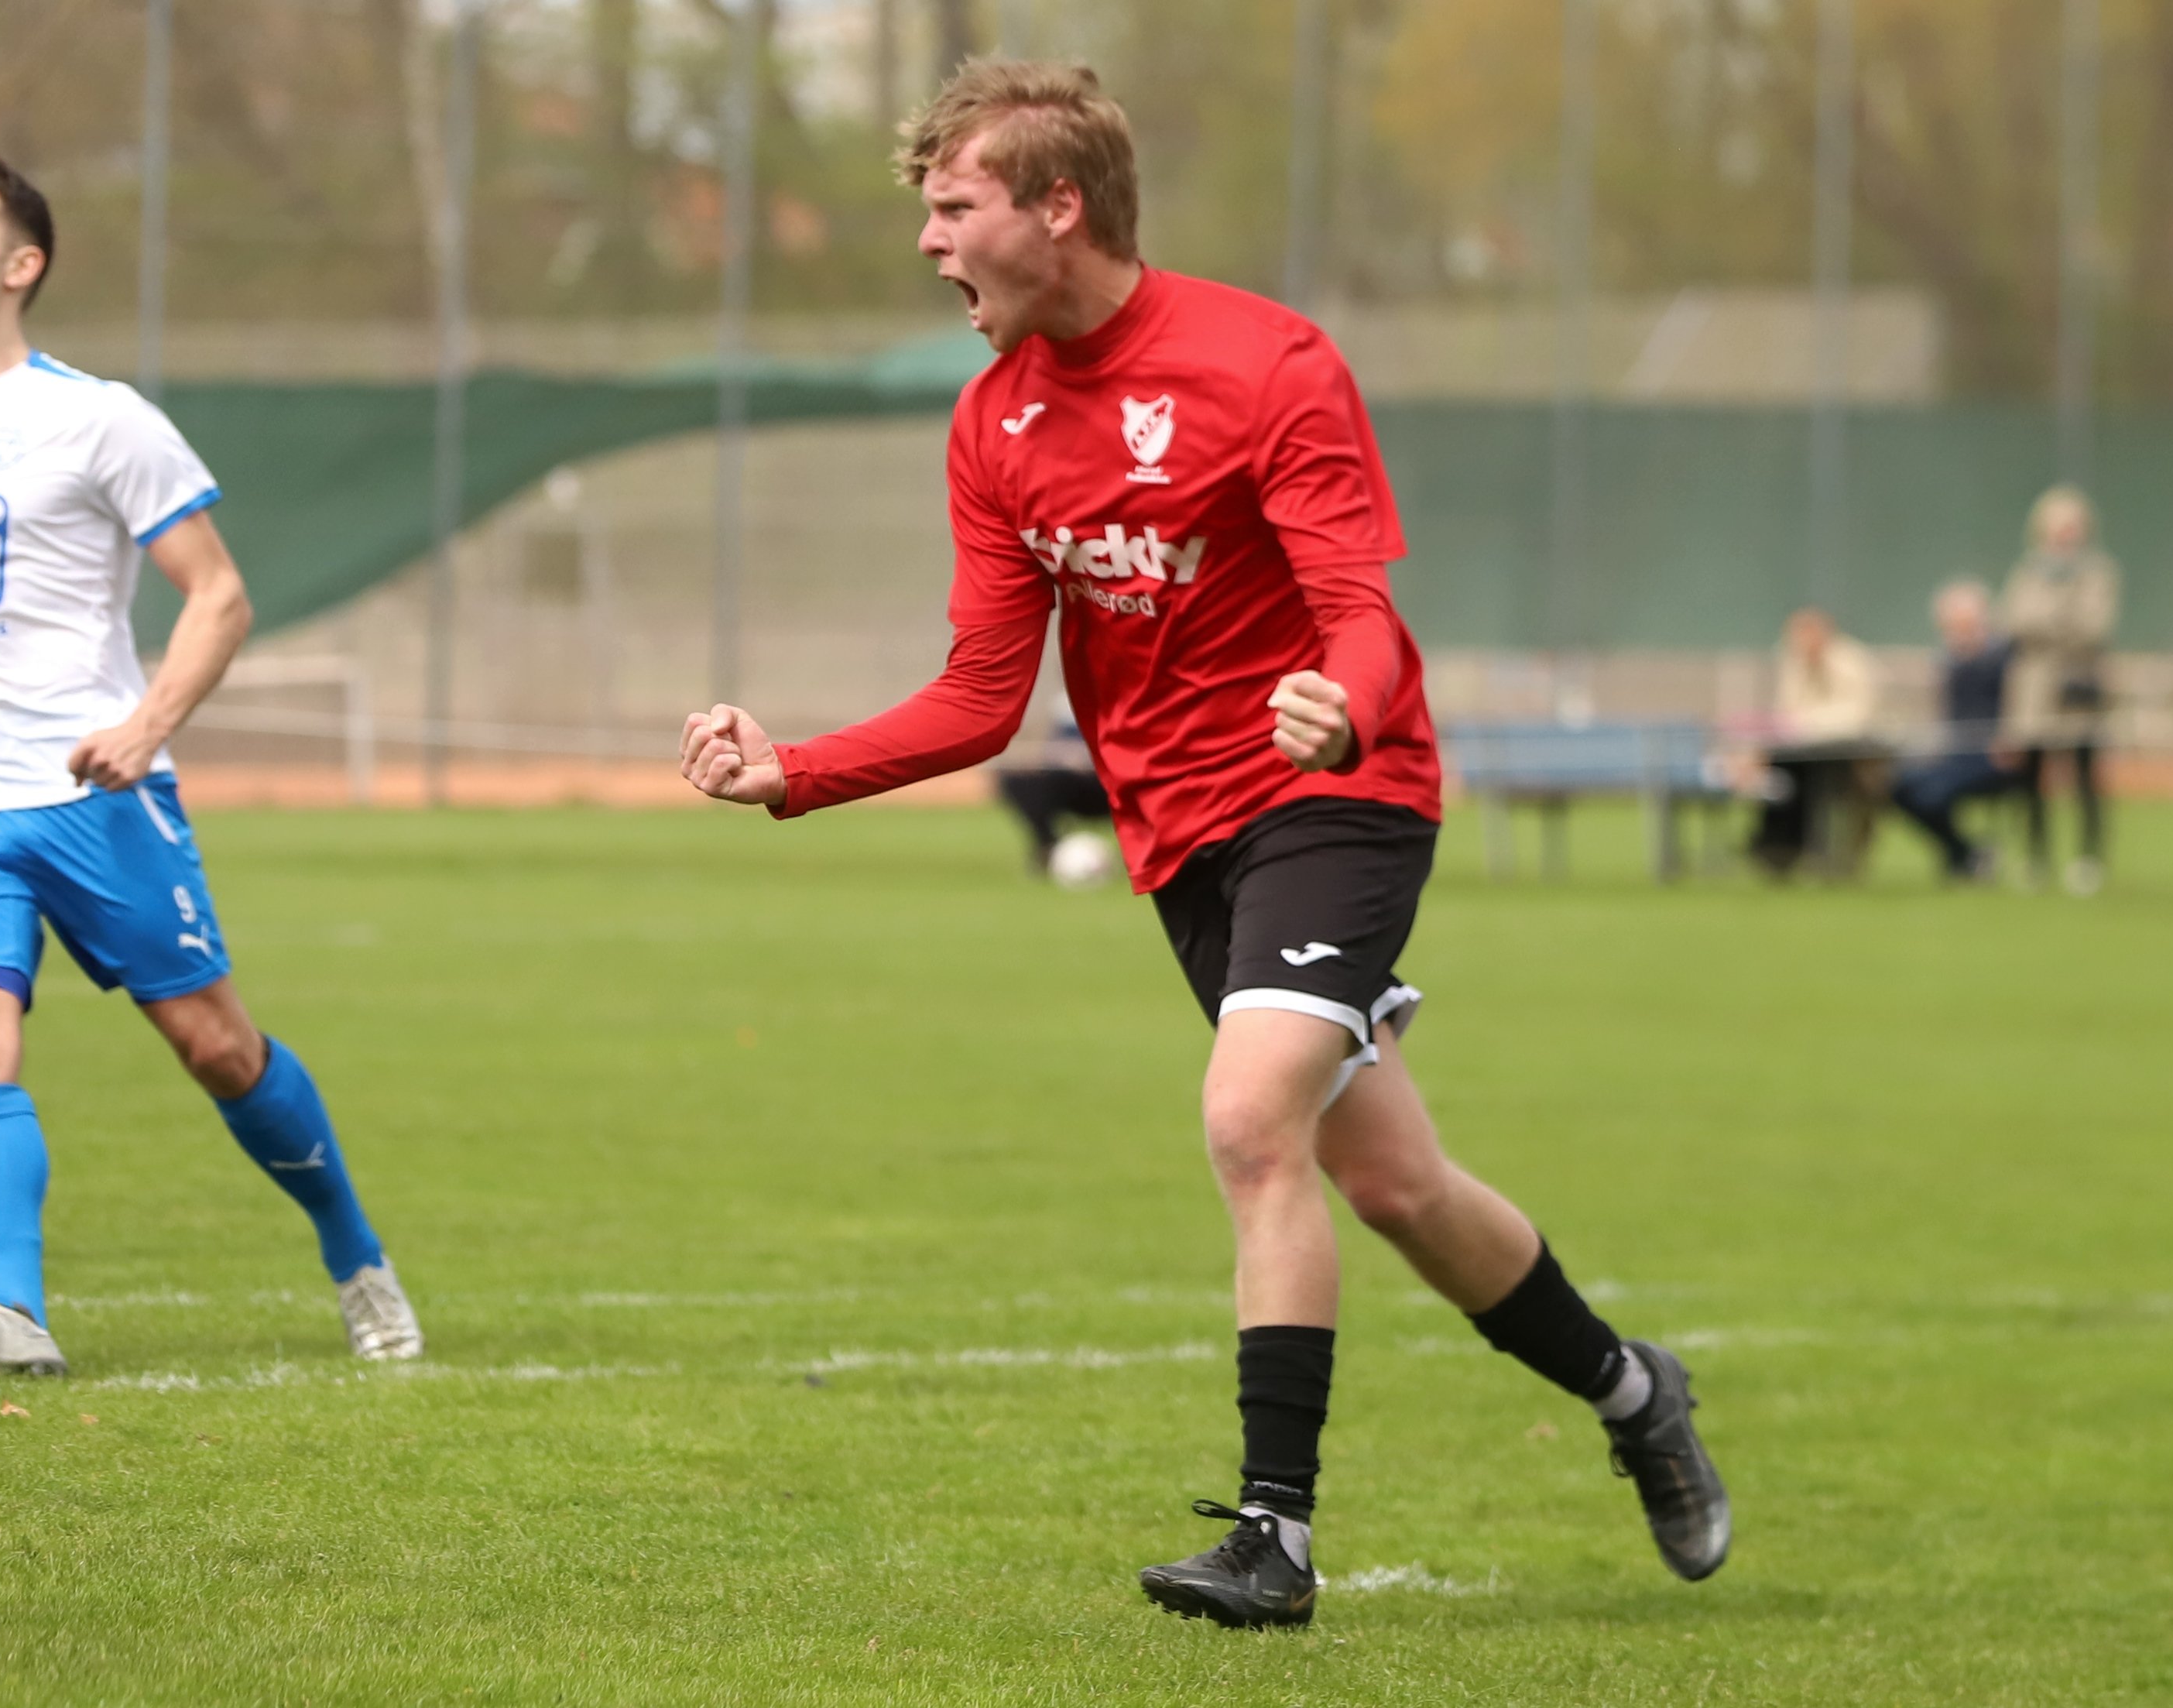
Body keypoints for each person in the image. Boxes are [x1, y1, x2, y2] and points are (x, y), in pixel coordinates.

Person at [677, 61, 1726, 1628]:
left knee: (1250, 1124)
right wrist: (793, 771)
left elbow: (1361, 618)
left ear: (1057, 207)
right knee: (1392, 1184)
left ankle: (1273, 1534)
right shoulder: (994, 422)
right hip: (1178, 840)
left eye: (950, 208)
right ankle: (1634, 1388)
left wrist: (1338, 712)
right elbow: (980, 697)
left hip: (1337, 802)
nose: (927, 243)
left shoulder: (1264, 362)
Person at [0, 146, 419, 1377]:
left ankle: (355, 1252)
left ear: (21, 265)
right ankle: (15, 1317)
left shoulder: (96, 416)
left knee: (217, 1047)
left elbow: (219, 595)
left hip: (93, 796)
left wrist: (145, 729)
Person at [2000, 485, 2116, 895]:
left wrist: (2049, 624)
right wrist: (2059, 620)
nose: (2065, 534)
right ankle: (2036, 857)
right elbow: (2016, 620)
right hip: (2033, 690)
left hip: (2079, 685)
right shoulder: (2028, 570)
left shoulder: (2098, 571)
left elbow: (2094, 626)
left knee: (2086, 776)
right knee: (2031, 777)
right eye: (2057, 527)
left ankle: (2088, 858)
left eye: (2072, 527)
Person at [1888, 581, 2016, 881]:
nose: (1958, 630)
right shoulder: (1946, 660)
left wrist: (2011, 739)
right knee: (1899, 786)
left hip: (1990, 756)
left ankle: (1964, 856)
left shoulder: (2004, 658)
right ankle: (1964, 852)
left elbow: (2018, 704)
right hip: (1952, 752)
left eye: (1965, 622)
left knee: (1932, 795)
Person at [1749, 607, 1882, 876]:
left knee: (1811, 774)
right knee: (1781, 767)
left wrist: (1806, 723)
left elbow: (1857, 714)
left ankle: (1799, 847)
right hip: (1799, 753)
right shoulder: (1794, 662)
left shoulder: (1850, 661)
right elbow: (1786, 709)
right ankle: (1776, 844)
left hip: (1847, 758)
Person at [993, 695, 1115, 880]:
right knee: (1016, 781)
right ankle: (1048, 845)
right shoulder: (1065, 704)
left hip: (1112, 780)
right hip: (1070, 780)